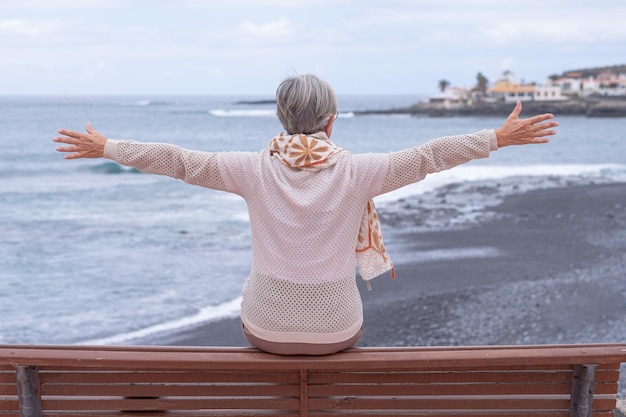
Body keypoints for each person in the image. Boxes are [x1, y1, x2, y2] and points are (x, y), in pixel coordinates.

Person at [54, 74, 558, 355]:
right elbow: (430, 155)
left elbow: (180, 161)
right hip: (338, 330)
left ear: (281, 118)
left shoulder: (250, 170)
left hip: (265, 328)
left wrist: (109, 147)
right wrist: (496, 137)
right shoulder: (361, 172)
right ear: (332, 122)